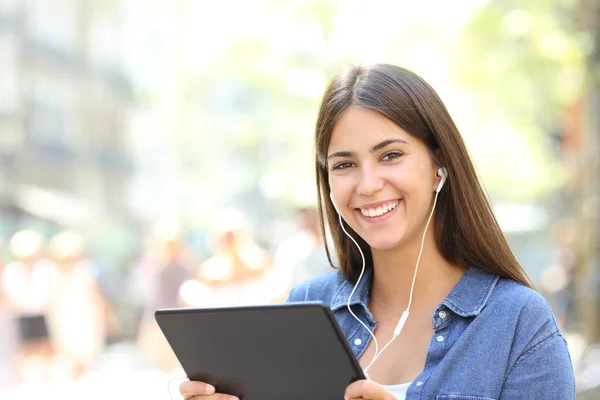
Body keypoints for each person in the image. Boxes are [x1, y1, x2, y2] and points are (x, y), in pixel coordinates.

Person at [179, 64, 575, 400]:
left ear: (440, 164)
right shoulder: (306, 305)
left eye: (391, 155)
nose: (368, 185)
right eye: (344, 164)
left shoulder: (518, 324)